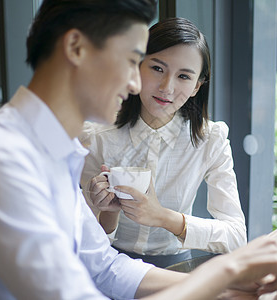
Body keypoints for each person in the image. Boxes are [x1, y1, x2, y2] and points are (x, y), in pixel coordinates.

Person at [0, 0, 277, 299]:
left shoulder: (53, 151)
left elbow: (104, 267)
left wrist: (222, 286)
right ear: (76, 47)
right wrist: (225, 272)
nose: (137, 82)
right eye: (134, 61)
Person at [81, 17, 246, 267]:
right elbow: (84, 241)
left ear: (196, 87)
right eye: (157, 68)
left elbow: (237, 237)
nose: (167, 87)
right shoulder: (97, 137)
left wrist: (163, 217)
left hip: (177, 269)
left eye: (183, 76)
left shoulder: (211, 139)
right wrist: (108, 213)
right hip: (108, 265)